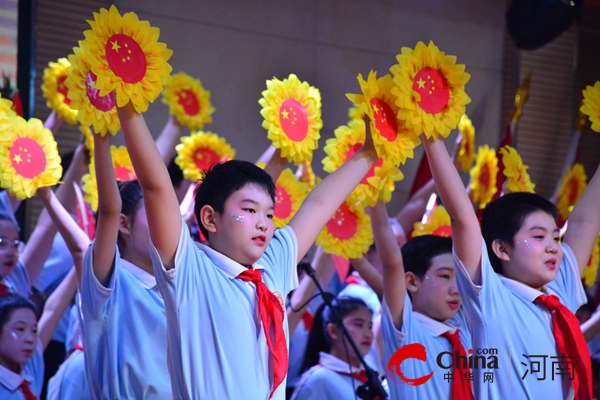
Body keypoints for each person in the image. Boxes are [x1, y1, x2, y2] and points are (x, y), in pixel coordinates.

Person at [117, 100, 378, 399]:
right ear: (209, 218)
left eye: (269, 214)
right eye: (250, 210)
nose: (264, 224)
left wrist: (369, 154)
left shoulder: (272, 267)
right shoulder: (189, 267)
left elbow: (319, 204)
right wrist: (125, 102)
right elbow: (155, 186)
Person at [424, 134, 600, 399]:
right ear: (502, 249)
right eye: (539, 237)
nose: (554, 246)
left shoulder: (557, 294)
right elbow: (462, 217)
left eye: (555, 237)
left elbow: (584, 221)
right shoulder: (490, 297)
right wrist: (431, 136)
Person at [79, 131, 171, 398]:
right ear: (124, 224)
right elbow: (109, 208)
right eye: (153, 213)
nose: (166, 223)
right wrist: (101, 137)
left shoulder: (178, 284)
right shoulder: (110, 280)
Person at [368, 200, 472, 400]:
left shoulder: (465, 333)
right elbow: (392, 263)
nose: (456, 289)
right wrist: (374, 197)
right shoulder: (405, 329)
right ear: (411, 281)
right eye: (444, 276)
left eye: (459, 278)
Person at [291, 296, 374, 400]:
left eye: (370, 327)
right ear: (333, 331)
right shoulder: (318, 379)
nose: (368, 334)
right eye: (359, 325)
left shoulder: (368, 374)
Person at [0, 294, 42, 400]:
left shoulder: (30, 374)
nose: (30, 339)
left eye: (34, 331)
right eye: (20, 329)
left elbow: (53, 310)